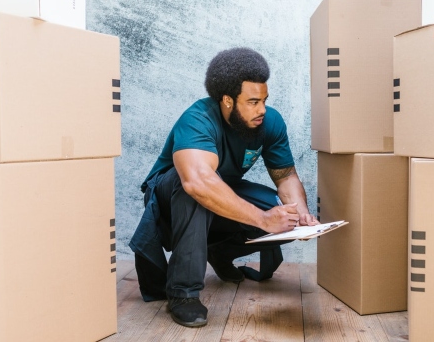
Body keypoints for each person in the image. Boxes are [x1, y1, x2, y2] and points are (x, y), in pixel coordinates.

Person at [128, 47, 319, 328]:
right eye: (253, 102)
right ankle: (183, 293)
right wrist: (264, 220)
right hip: (172, 198)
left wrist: (301, 215)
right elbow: (197, 181)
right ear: (227, 100)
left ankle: (220, 252)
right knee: (195, 191)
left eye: (264, 100)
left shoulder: (270, 122)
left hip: (218, 190)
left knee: (282, 212)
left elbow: (286, 176)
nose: (262, 109)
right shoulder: (198, 118)